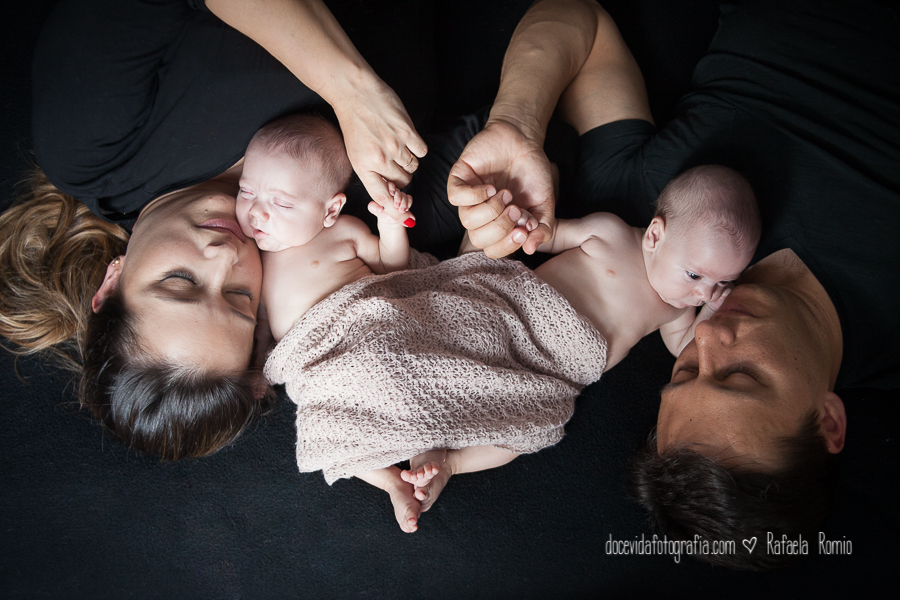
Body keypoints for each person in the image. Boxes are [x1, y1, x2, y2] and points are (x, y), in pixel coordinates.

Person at [445, 0, 900, 569]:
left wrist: (514, 124)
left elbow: (578, 22)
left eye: (684, 370)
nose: (705, 339)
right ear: (829, 420)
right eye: (741, 375)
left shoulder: (651, 231)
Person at [254, 120, 759, 532]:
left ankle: (451, 463)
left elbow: (688, 349)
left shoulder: (678, 311)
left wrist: (713, 308)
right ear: (655, 234)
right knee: (445, 336)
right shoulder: (610, 234)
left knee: (536, 428)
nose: (701, 290)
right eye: (696, 274)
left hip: (562, 366)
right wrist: (528, 224)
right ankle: (404, 454)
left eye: (720, 282)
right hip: (514, 307)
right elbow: (549, 233)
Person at [0, 0, 434, 460]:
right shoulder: (358, 236)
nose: (227, 255)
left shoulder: (91, 145)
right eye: (239, 297)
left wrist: (349, 90)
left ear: (111, 283)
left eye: (180, 280)